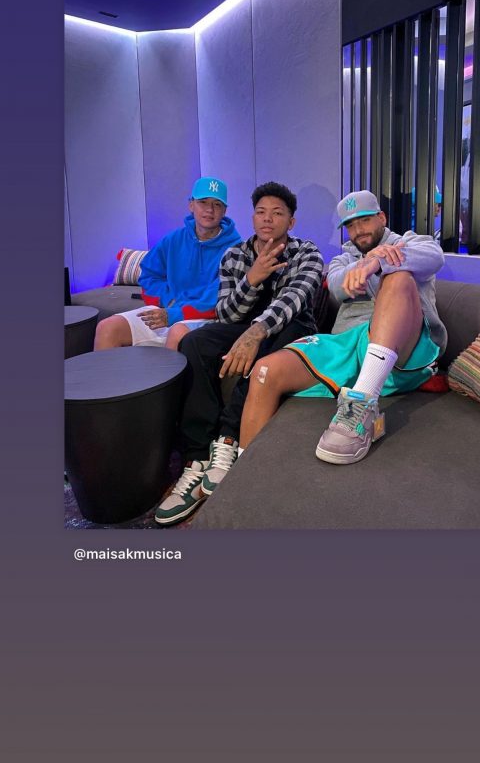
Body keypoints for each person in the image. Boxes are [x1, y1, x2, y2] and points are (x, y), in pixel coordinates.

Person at [154, 181, 324, 525]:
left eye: (277, 213)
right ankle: (197, 458)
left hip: (292, 330)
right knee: (195, 342)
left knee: (284, 334)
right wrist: (252, 279)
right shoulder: (235, 255)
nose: (267, 219)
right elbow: (226, 314)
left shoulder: (307, 252)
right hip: (242, 326)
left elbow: (293, 301)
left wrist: (255, 332)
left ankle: (228, 437)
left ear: (291, 221)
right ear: (252, 217)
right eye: (261, 212)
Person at [239, 189, 447, 465]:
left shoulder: (409, 241)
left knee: (398, 277)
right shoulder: (343, 259)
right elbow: (337, 286)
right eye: (351, 225)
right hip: (348, 345)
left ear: (382, 217)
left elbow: (434, 257)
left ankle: (362, 402)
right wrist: (364, 264)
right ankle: (245, 472)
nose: (358, 231)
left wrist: (379, 261)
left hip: (404, 347)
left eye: (365, 220)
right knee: (265, 371)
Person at [94, 177, 241, 350]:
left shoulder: (236, 248)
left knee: (177, 334)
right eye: (203, 202)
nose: (210, 209)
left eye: (217, 204)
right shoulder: (173, 239)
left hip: (205, 318)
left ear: (224, 211)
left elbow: (219, 298)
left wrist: (175, 313)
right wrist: (168, 300)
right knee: (107, 328)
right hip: (169, 310)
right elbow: (149, 275)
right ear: (191, 205)